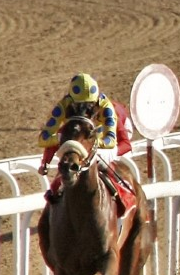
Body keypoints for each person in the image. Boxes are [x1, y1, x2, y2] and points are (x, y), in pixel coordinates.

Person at [37, 72, 133, 204]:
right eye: (78, 106)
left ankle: (125, 195)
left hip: (114, 135)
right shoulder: (65, 105)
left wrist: (93, 146)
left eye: (89, 107)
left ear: (95, 103)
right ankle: (48, 212)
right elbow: (47, 137)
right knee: (69, 159)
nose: (83, 110)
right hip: (86, 132)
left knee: (98, 160)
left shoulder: (108, 108)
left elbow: (125, 144)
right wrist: (45, 163)